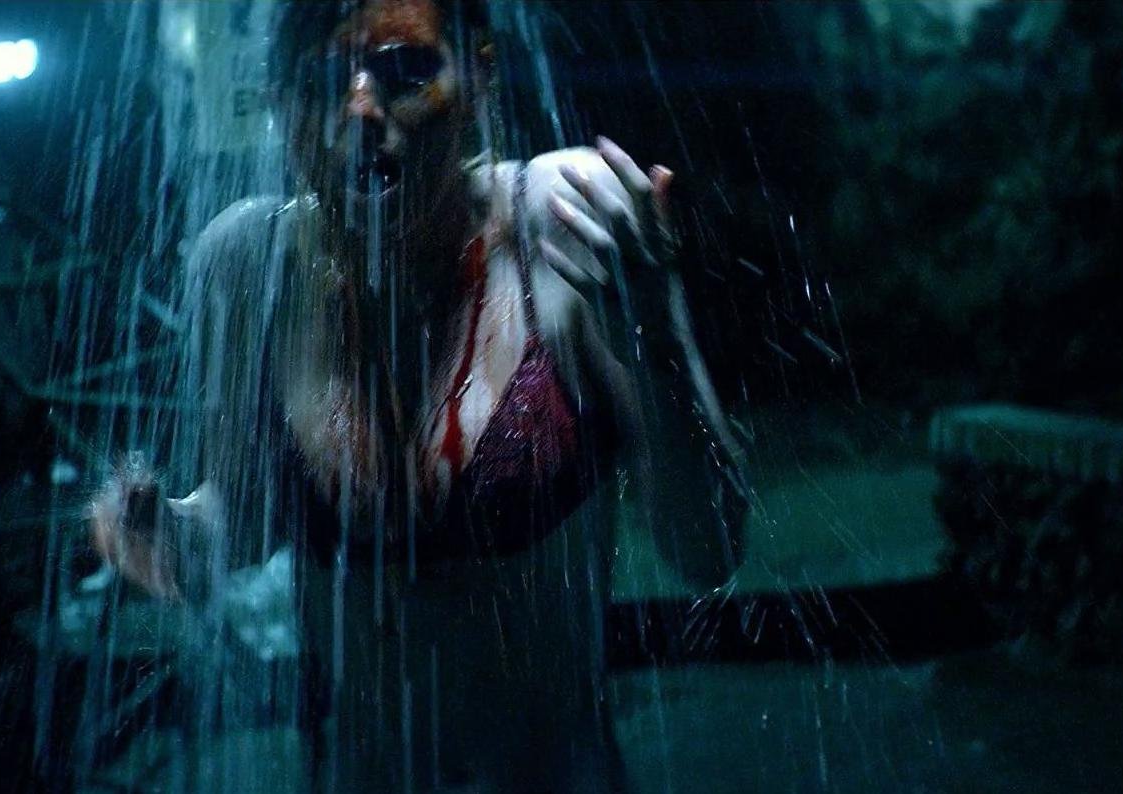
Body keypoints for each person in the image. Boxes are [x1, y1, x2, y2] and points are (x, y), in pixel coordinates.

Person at [90, 1, 749, 790]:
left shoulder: (558, 224)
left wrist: (657, 326)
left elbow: (709, 551)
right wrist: (167, 532)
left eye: (404, 72)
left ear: (479, 76)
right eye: (321, 83)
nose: (360, 112)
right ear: (279, 104)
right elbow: (246, 517)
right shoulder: (248, 266)